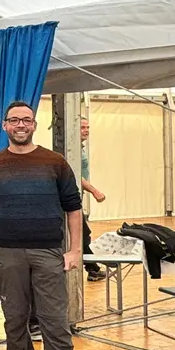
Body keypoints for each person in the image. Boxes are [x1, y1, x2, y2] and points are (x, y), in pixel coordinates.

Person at [0, 100, 99, 350]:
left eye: (26, 120)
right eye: (14, 120)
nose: (20, 125)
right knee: (15, 318)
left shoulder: (55, 162)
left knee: (55, 325)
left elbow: (73, 208)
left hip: (48, 252)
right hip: (8, 252)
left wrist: (75, 250)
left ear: (34, 125)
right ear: (5, 126)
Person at [80, 115, 106, 281]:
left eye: (88, 127)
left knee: (83, 232)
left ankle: (92, 267)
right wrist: (94, 191)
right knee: (83, 232)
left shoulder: (80, 148)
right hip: (71, 199)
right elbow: (75, 173)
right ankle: (92, 267)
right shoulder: (71, 149)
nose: (86, 131)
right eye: (83, 128)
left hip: (77, 196)